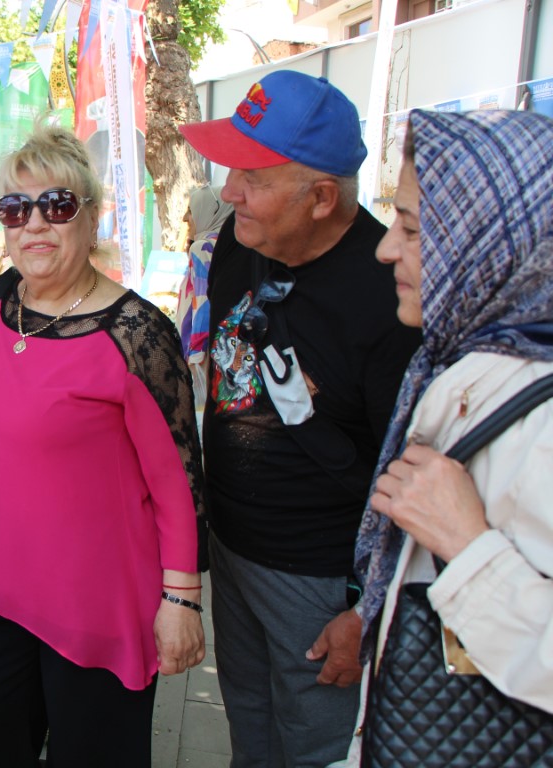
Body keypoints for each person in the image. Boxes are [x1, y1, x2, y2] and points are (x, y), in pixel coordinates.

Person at [0, 122, 207, 767]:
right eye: (15, 208)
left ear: (91, 219)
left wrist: (181, 600)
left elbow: (178, 483)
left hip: (94, 602)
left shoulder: (136, 333)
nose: (34, 224)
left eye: (56, 206)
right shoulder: (4, 305)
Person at [178, 70, 421, 767]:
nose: (229, 193)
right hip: (234, 546)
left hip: (321, 582)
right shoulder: (237, 244)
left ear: (320, 197)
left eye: (251, 177)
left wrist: (363, 611)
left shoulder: (390, 294)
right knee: (248, 729)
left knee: (316, 751)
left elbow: (409, 469)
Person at [350, 109, 553, 756]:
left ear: (493, 240)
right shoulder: (457, 358)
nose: (385, 247)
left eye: (411, 227)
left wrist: (469, 547)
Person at [175, 185, 232, 408]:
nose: (186, 217)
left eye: (191, 209)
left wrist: (196, 354)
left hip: (203, 352)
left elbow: (203, 301)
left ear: (211, 210)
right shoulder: (229, 244)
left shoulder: (203, 247)